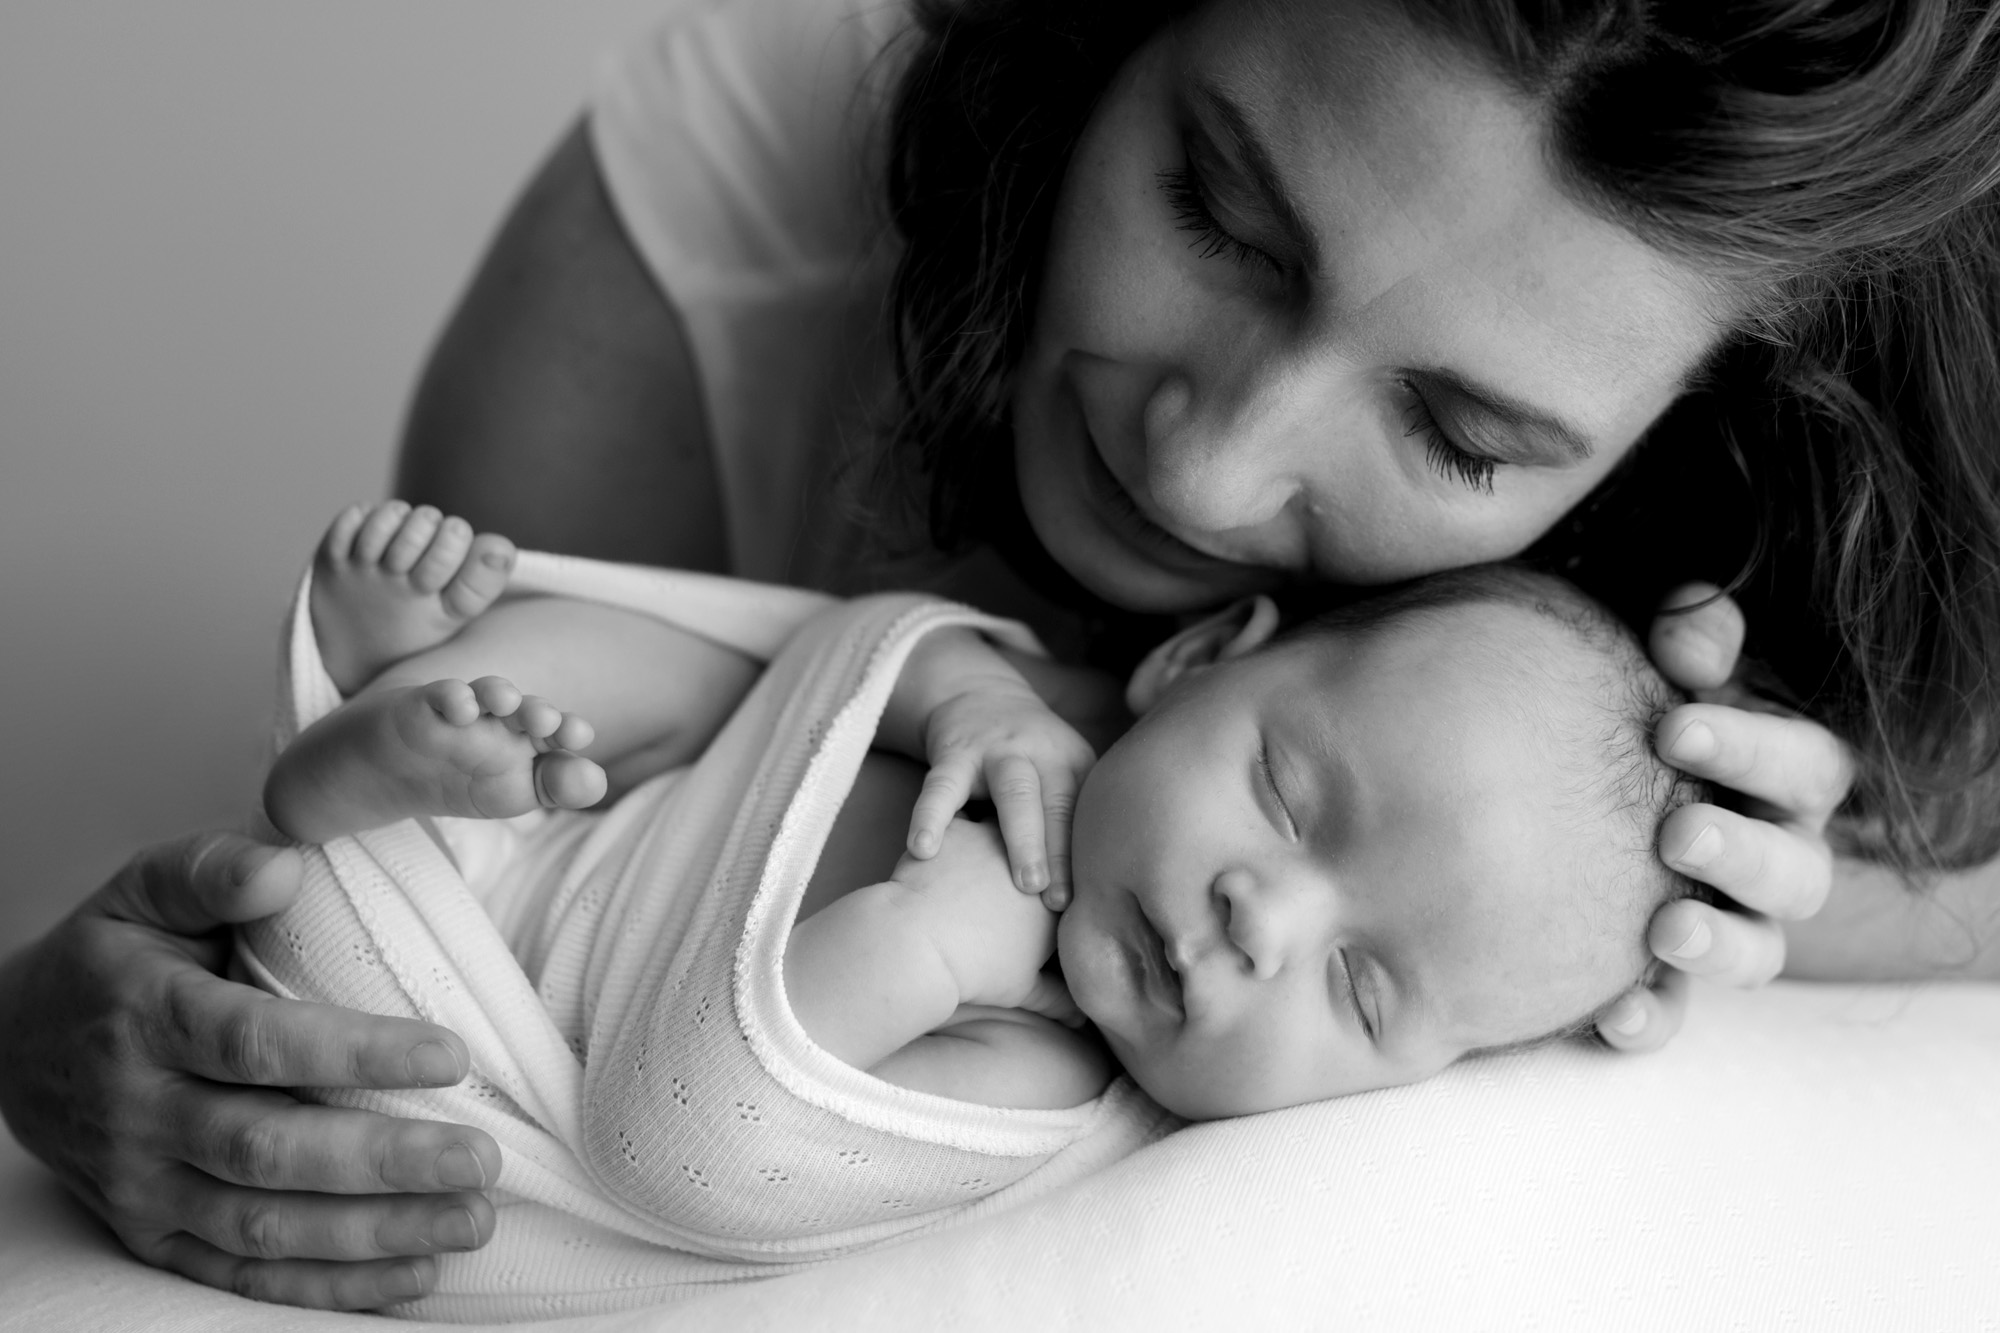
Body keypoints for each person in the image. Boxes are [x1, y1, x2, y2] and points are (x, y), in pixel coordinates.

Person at [5, 0, 1997, 1311]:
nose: (1206, 463)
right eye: (1218, 212)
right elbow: (477, 860)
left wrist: (1749, 883)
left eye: (1458, 434)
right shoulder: (731, 213)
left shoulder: (1706, 613)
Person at [244, 503, 1705, 1312]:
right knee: (698, 679)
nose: (1266, 922)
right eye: (1286, 795)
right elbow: (851, 646)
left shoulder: (1045, 1072)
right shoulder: (1056, 726)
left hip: (473, 1010)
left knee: (336, 967)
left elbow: (686, 1136)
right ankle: (412, 706)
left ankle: (354, 792)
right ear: (1197, 662)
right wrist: (969, 700)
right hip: (591, 808)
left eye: (1361, 988)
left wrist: (930, 942)